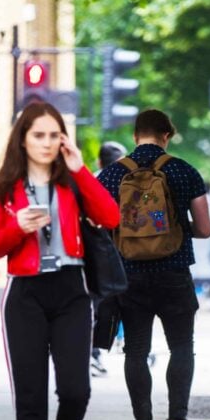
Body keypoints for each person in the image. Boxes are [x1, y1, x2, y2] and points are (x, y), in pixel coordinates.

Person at [0, 101, 119, 420]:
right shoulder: (6, 187)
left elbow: (110, 216)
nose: (46, 142)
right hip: (25, 295)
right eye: (38, 135)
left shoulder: (72, 182)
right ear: (23, 139)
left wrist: (79, 170)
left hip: (71, 292)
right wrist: (16, 226)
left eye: (53, 134)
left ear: (63, 139)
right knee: (30, 394)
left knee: (77, 389)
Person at [97, 109, 210, 420]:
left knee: (135, 350)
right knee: (181, 347)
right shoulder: (184, 171)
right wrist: (175, 228)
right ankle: (177, 419)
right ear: (167, 135)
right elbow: (205, 229)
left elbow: (100, 228)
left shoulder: (111, 175)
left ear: (135, 136)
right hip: (174, 272)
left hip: (129, 275)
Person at [90, 141, 129, 376]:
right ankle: (100, 351)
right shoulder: (128, 182)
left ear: (98, 161)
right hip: (120, 253)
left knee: (94, 305)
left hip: (93, 253)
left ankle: (92, 353)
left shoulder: (91, 181)